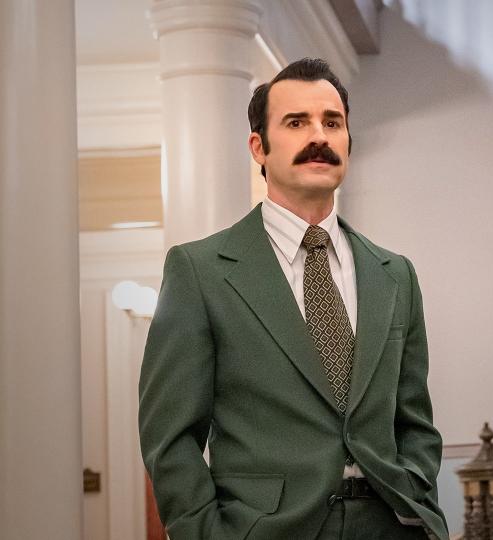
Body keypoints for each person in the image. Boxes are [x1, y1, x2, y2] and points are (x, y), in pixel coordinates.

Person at [139, 58, 446, 540]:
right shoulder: (199, 272)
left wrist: (418, 497)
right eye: (296, 122)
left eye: (332, 122)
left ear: (348, 142)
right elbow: (170, 438)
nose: (318, 136)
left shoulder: (395, 275)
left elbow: (415, 419)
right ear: (259, 147)